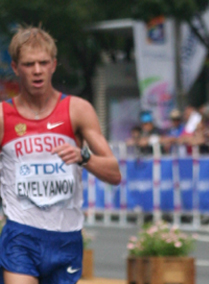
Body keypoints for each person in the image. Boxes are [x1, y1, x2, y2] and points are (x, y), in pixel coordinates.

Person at [0, 26, 121, 284]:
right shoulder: (3, 116)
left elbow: (114, 172)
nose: (37, 70)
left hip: (66, 237)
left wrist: (83, 157)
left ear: (54, 65)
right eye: (29, 64)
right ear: (15, 67)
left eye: (43, 63)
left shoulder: (77, 110)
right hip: (21, 235)